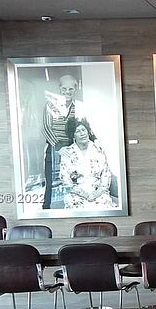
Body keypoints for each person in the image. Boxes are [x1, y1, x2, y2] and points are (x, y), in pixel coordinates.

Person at [42, 73, 83, 209]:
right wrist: (59, 147)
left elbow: (82, 127)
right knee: (51, 182)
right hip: (54, 148)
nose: (67, 92)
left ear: (75, 89)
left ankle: (70, 208)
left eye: (71, 89)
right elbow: (45, 128)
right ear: (59, 89)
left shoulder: (78, 107)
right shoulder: (50, 105)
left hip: (72, 149)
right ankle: (48, 210)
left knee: (72, 180)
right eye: (64, 88)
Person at [59, 117, 116, 209]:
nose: (82, 133)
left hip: (98, 193)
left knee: (103, 207)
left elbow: (106, 175)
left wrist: (96, 194)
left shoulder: (98, 150)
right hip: (76, 194)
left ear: (88, 131)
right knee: (77, 207)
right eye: (78, 131)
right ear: (73, 135)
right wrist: (84, 194)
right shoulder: (68, 153)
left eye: (83, 130)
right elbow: (65, 179)